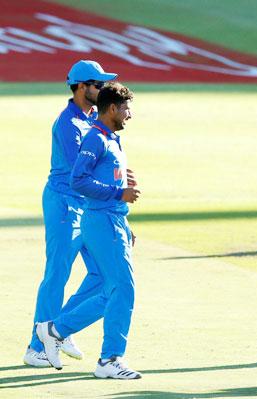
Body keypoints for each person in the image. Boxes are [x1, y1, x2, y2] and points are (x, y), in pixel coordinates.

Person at [36, 82, 143, 379]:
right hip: (102, 222)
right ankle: (109, 360)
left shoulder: (111, 139)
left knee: (113, 291)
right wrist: (118, 195)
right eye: (125, 109)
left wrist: (126, 220)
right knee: (123, 288)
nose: (129, 115)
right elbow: (78, 181)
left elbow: (110, 181)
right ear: (112, 109)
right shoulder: (96, 139)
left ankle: (54, 329)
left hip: (114, 221)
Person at [25, 60, 117, 367]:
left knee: (104, 274)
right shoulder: (67, 123)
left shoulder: (93, 118)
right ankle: (37, 347)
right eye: (98, 85)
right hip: (65, 204)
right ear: (81, 87)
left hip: (88, 205)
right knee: (57, 274)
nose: (103, 90)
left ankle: (59, 328)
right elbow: (83, 171)